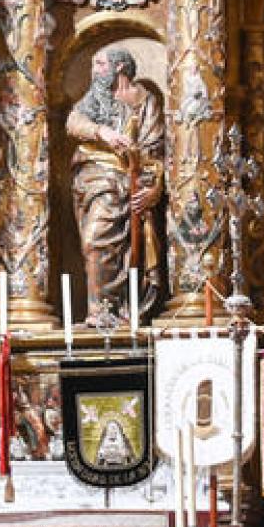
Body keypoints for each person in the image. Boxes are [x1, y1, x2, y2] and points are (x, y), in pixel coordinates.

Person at [67, 47, 165, 326]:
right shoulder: (97, 97)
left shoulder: (146, 101)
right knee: (93, 238)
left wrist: (153, 188)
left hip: (132, 181)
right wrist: (103, 132)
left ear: (119, 66)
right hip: (96, 180)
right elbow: (73, 122)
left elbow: (155, 152)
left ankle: (118, 309)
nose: (94, 70)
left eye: (99, 64)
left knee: (128, 250)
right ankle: (99, 309)